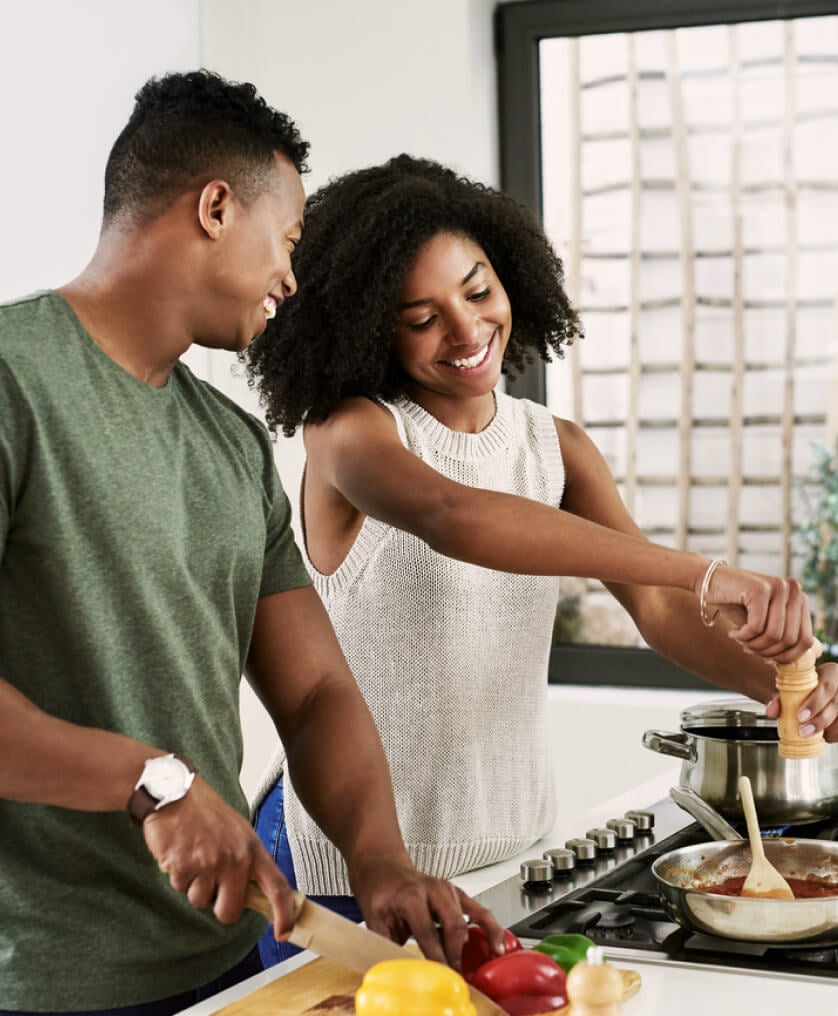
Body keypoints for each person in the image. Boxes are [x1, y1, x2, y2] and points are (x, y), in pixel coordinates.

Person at [244, 153, 838, 964]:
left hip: (510, 850)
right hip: (346, 866)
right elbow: (453, 513)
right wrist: (704, 572)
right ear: (365, 324)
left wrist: (796, 690)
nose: (466, 330)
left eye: (478, 289)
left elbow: (658, 613)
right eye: (420, 317)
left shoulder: (555, 447)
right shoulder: (351, 435)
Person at [0, 83, 501, 1016]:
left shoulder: (231, 442)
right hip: (42, 982)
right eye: (292, 238)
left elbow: (315, 691)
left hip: (226, 965)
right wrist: (150, 782)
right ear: (216, 207)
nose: (293, 277)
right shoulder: (13, 382)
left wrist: (381, 862)